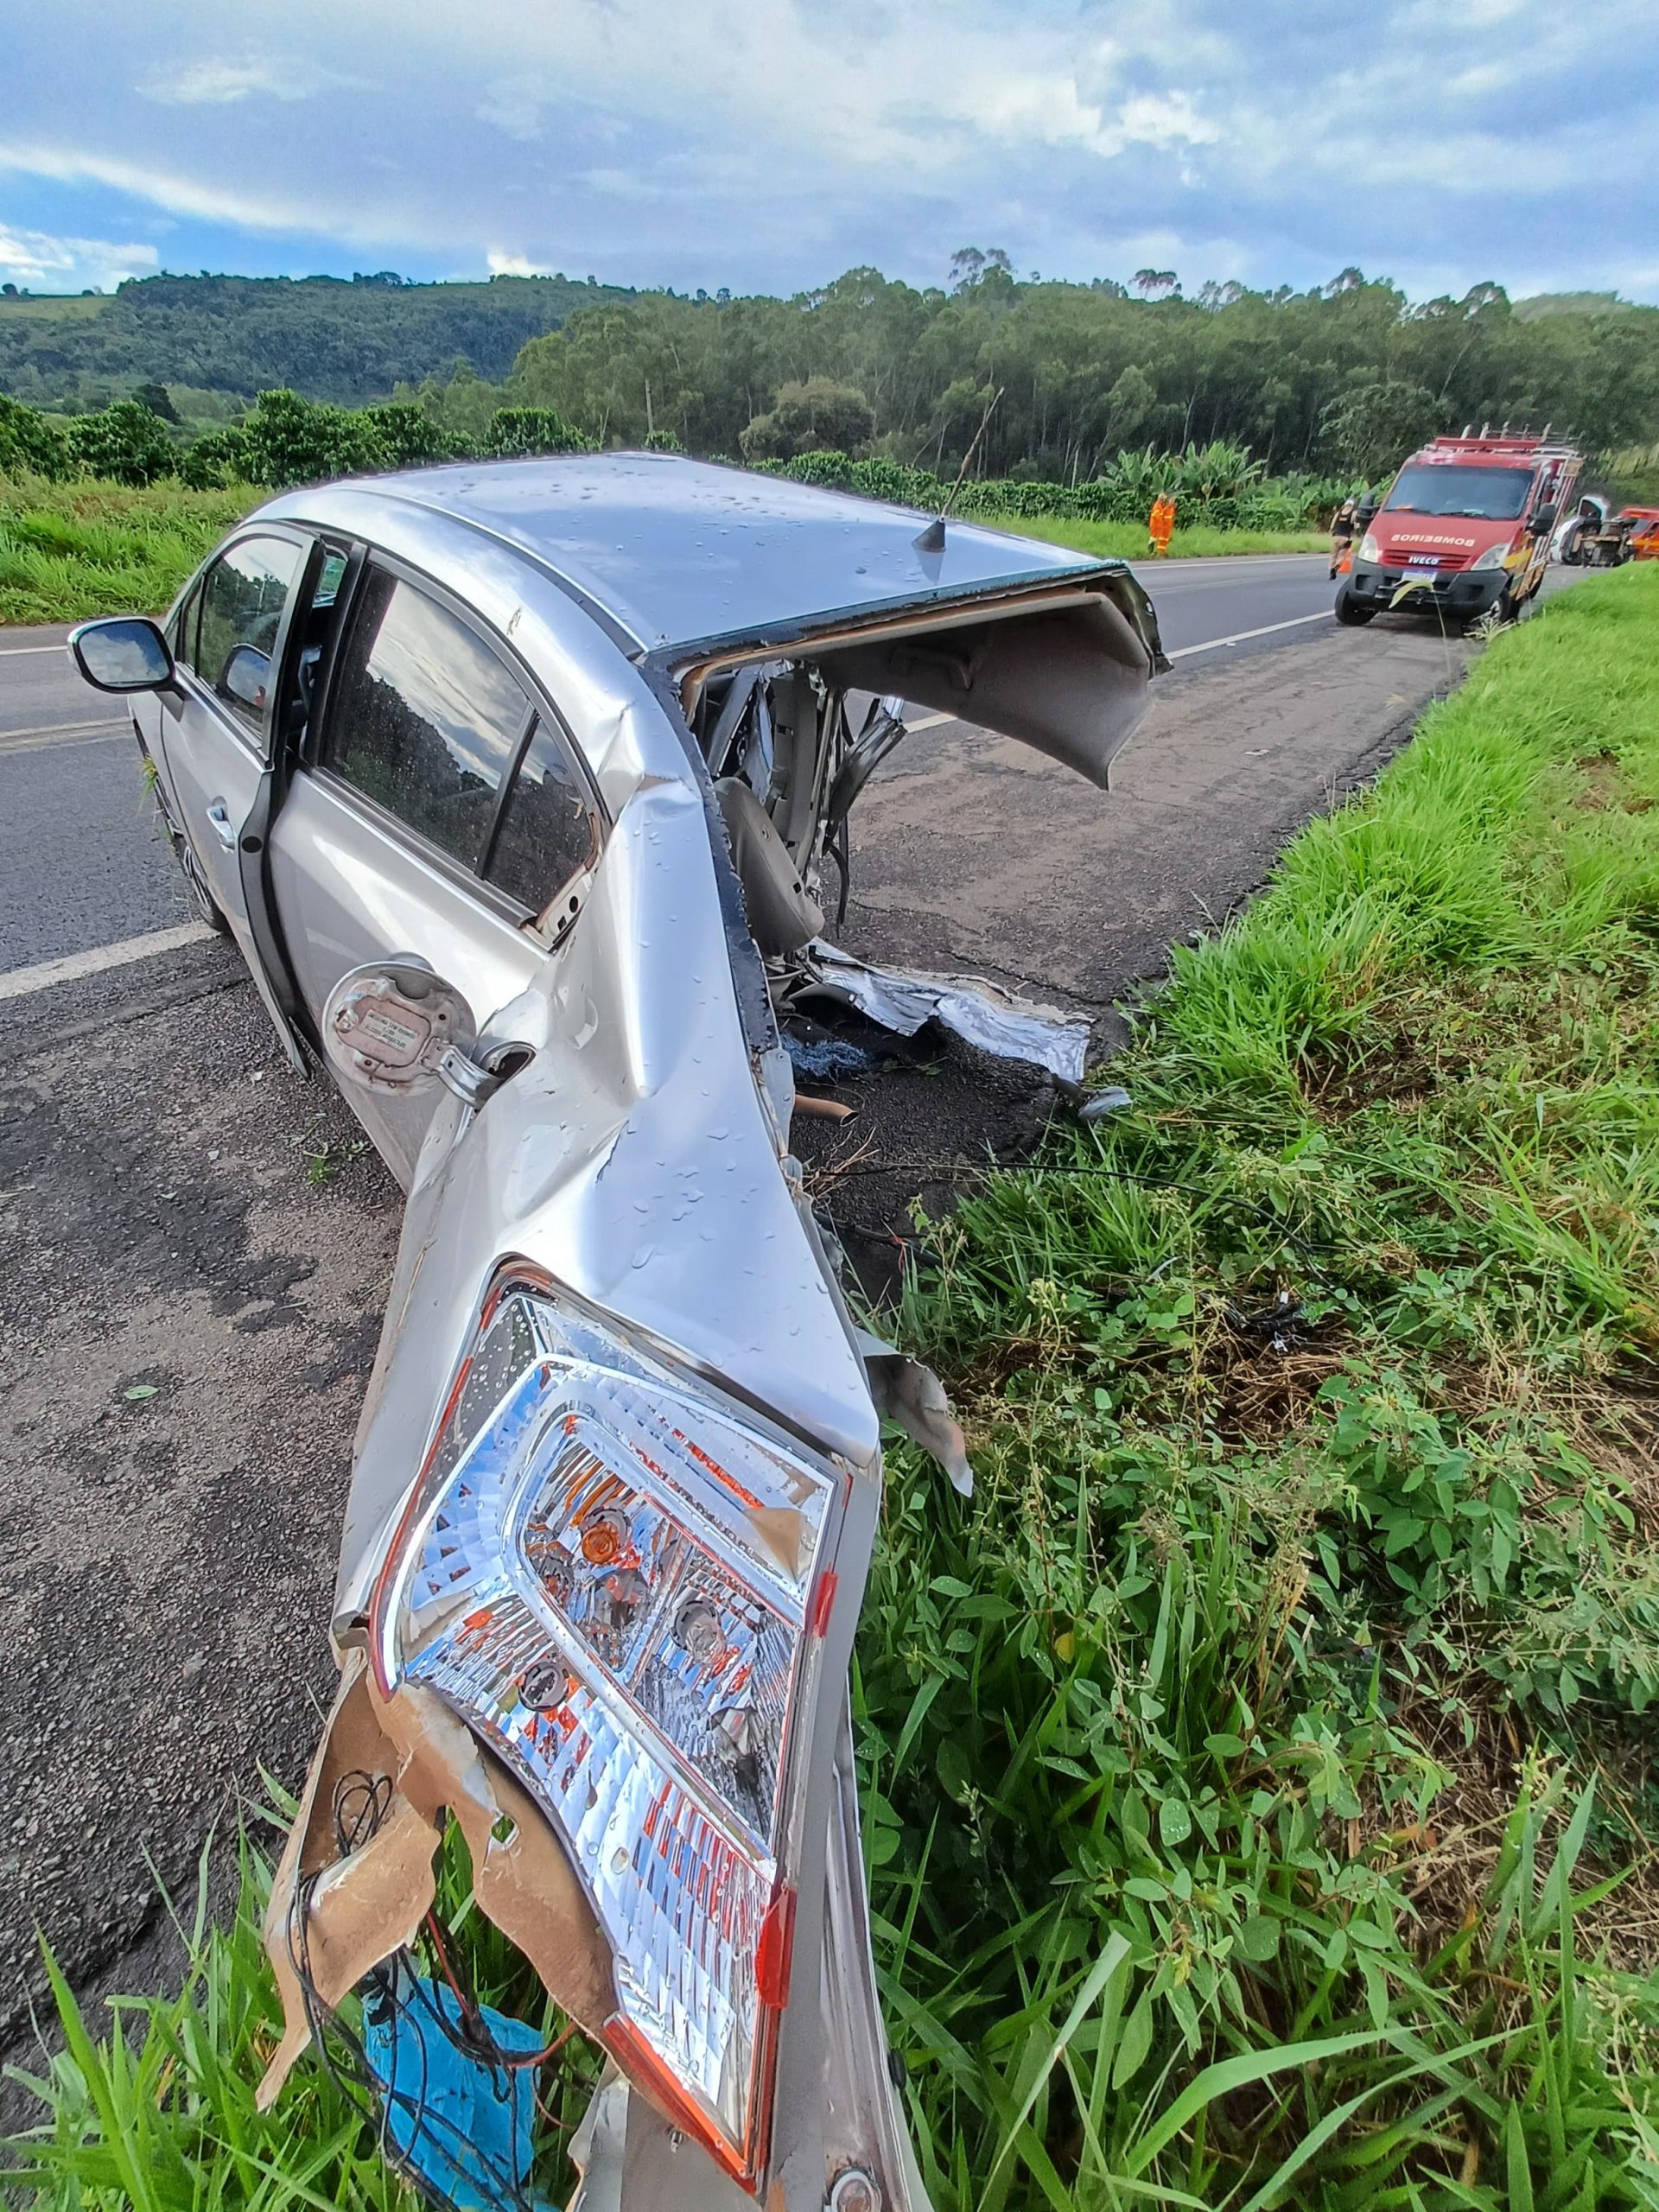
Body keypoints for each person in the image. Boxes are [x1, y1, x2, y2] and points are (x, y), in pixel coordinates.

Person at [1329, 496, 1357, 578]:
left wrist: (1333, 533)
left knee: (1333, 555)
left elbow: (1332, 526)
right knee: (1342, 556)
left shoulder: (1338, 513)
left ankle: (1331, 568)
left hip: (1335, 537)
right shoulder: (1353, 513)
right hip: (1345, 538)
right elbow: (1355, 526)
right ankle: (1336, 567)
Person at [1147, 492, 1176, 557]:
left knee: (1159, 539)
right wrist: (1161, 525)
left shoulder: (1161, 506)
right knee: (1153, 538)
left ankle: (1158, 552)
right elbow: (1158, 517)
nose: (1164, 501)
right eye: (1163, 499)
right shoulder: (1157, 506)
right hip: (1155, 525)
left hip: (1160, 526)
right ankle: (1151, 552)